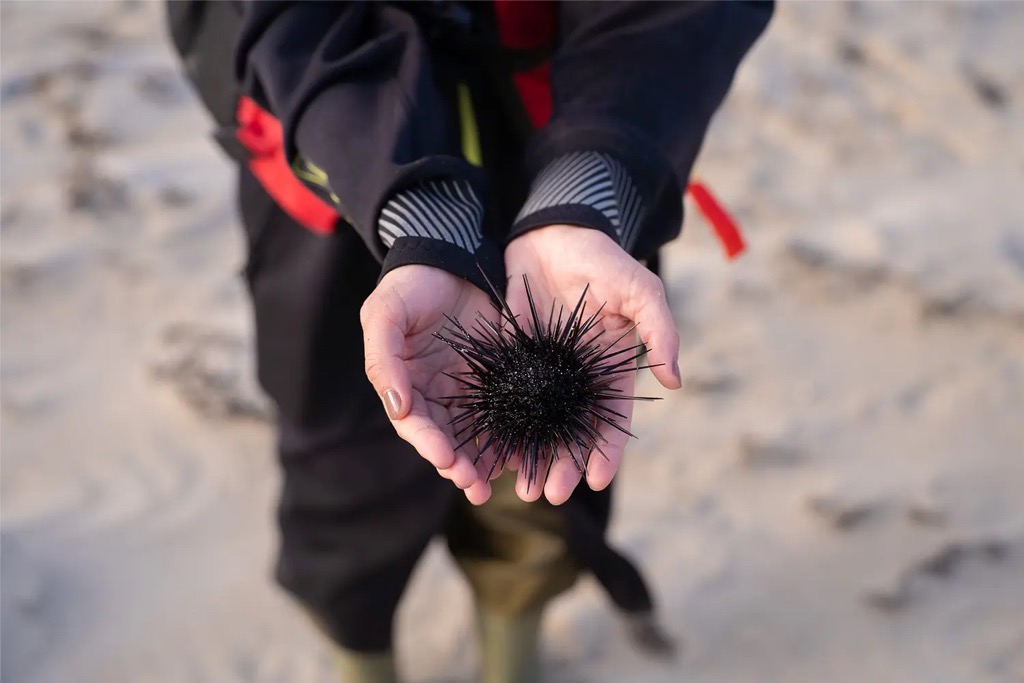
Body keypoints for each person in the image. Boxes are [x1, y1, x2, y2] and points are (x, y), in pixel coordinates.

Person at [167, 2, 772, 681]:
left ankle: (511, 650)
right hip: (340, 161)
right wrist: (418, 208)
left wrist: (593, 186)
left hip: (568, 144)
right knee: (341, 463)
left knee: (546, 501)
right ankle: (360, 657)